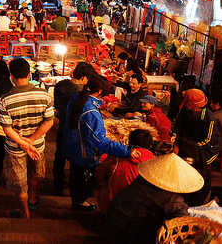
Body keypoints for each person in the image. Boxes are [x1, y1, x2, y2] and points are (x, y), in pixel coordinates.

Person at [62, 73, 140, 211]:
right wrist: (126, 150)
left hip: (72, 148)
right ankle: (80, 201)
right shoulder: (91, 112)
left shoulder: (76, 98)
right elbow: (101, 141)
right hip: (84, 153)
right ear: (99, 92)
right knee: (96, 176)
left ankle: (76, 202)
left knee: (75, 176)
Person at [0, 58, 54, 218]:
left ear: (11, 76)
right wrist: (32, 140)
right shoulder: (44, 95)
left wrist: (24, 143)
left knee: (20, 184)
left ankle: (25, 213)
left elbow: (7, 129)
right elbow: (49, 122)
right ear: (30, 74)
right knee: (35, 174)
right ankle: (33, 199)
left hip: (16, 149)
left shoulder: (5, 100)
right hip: (37, 146)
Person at [106, 153, 204, 244]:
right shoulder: (172, 199)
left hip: (113, 220)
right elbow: (182, 223)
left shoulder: (142, 179)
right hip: (131, 235)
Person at [52, 62, 96, 195]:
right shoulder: (80, 93)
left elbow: (57, 108)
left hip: (61, 128)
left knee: (59, 157)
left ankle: (58, 185)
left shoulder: (59, 86)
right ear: (83, 78)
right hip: (74, 131)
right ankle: (75, 191)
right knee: (75, 162)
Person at [94, 129, 155, 214]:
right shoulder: (155, 163)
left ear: (128, 143)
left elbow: (98, 175)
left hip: (112, 210)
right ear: (150, 147)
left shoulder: (116, 157)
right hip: (143, 214)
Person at [171, 88, 220, 166]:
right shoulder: (185, 109)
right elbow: (177, 124)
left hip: (205, 148)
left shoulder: (209, 118)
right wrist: (174, 135)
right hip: (188, 142)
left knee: (194, 165)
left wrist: (186, 146)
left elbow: (207, 141)